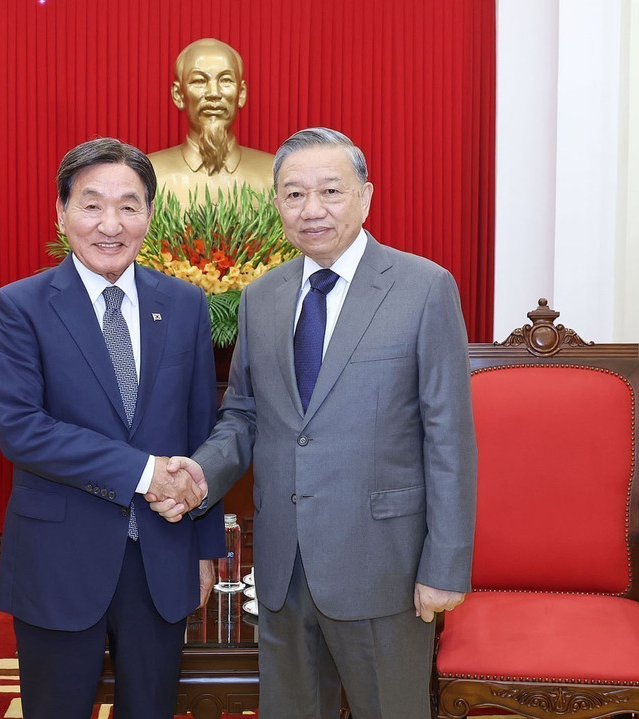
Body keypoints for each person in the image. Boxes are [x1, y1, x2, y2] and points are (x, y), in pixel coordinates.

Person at [159, 128, 477, 718]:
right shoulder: (262, 297)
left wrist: (445, 565)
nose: (312, 210)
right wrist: (199, 474)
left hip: (384, 564)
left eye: (330, 191)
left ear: (366, 196)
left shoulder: (423, 288)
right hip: (283, 564)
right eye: (294, 194)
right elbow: (244, 414)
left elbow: (449, 438)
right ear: (277, 203)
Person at [0, 137, 224, 719]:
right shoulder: (20, 307)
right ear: (62, 213)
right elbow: (23, 430)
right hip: (58, 560)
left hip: (162, 556)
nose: (110, 225)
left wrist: (205, 550)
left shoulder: (186, 304)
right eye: (92, 205)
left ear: (149, 214)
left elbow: (201, 432)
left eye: (128, 205)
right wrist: (144, 472)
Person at [149, 38, 274, 205]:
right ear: (178, 95)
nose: (214, 93)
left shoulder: (275, 176)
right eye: (199, 81)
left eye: (226, 80)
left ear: (241, 93)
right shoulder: (147, 176)